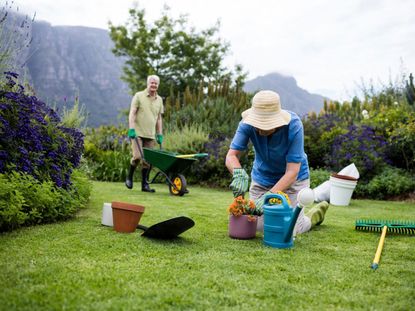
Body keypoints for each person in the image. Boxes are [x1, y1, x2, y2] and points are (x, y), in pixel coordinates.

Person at [225, 90, 329, 234]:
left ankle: (314, 216)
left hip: (293, 181)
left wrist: (270, 195)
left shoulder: (294, 125)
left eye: (265, 125)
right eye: (258, 125)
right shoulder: (246, 124)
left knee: (289, 229)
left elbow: (292, 171)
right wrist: (238, 172)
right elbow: (231, 156)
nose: (260, 131)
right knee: (256, 225)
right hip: (263, 179)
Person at [125, 75, 164, 192]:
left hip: (151, 134)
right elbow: (132, 113)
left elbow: (159, 118)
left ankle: (144, 185)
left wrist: (159, 134)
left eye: (156, 83)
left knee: (148, 161)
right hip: (137, 133)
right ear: (148, 83)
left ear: (158, 85)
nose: (154, 85)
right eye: (152, 83)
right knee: (137, 157)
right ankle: (129, 177)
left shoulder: (160, 100)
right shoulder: (138, 96)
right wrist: (131, 128)